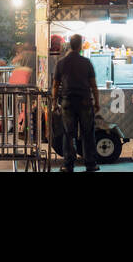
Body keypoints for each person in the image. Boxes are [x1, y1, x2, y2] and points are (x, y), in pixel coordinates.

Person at [50, 34, 100, 172]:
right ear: (80, 45)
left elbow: (55, 85)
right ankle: (90, 164)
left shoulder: (61, 63)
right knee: (88, 133)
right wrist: (97, 102)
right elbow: (93, 85)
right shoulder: (86, 62)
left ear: (69, 45)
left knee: (68, 133)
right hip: (85, 101)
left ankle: (68, 164)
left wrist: (54, 103)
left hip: (68, 102)